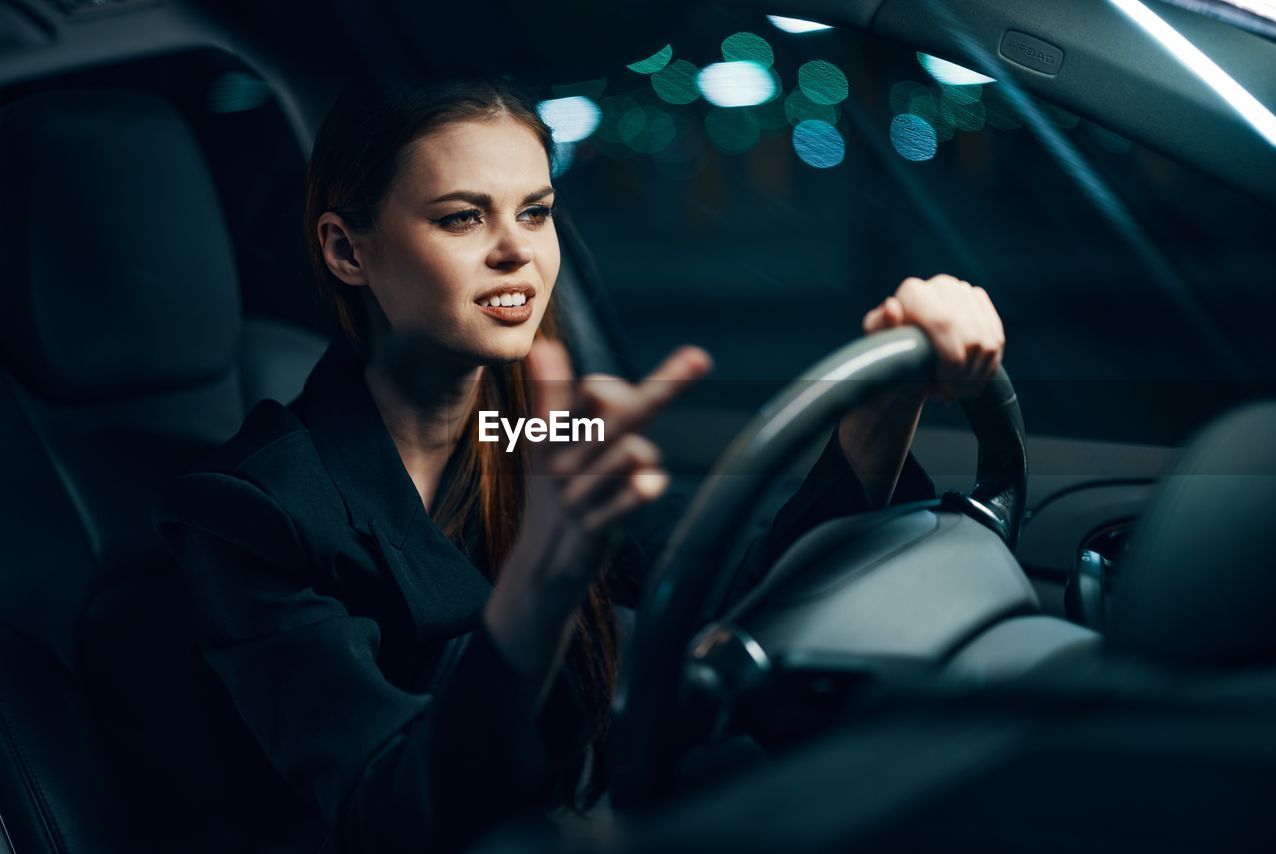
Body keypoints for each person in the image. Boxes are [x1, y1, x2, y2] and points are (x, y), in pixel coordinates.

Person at [152, 77, 1005, 853]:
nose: (516, 251)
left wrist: (884, 411)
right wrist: (543, 582)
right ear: (346, 250)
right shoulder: (251, 514)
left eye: (535, 211)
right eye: (461, 217)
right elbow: (394, 814)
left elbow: (711, 607)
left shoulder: (527, 432)